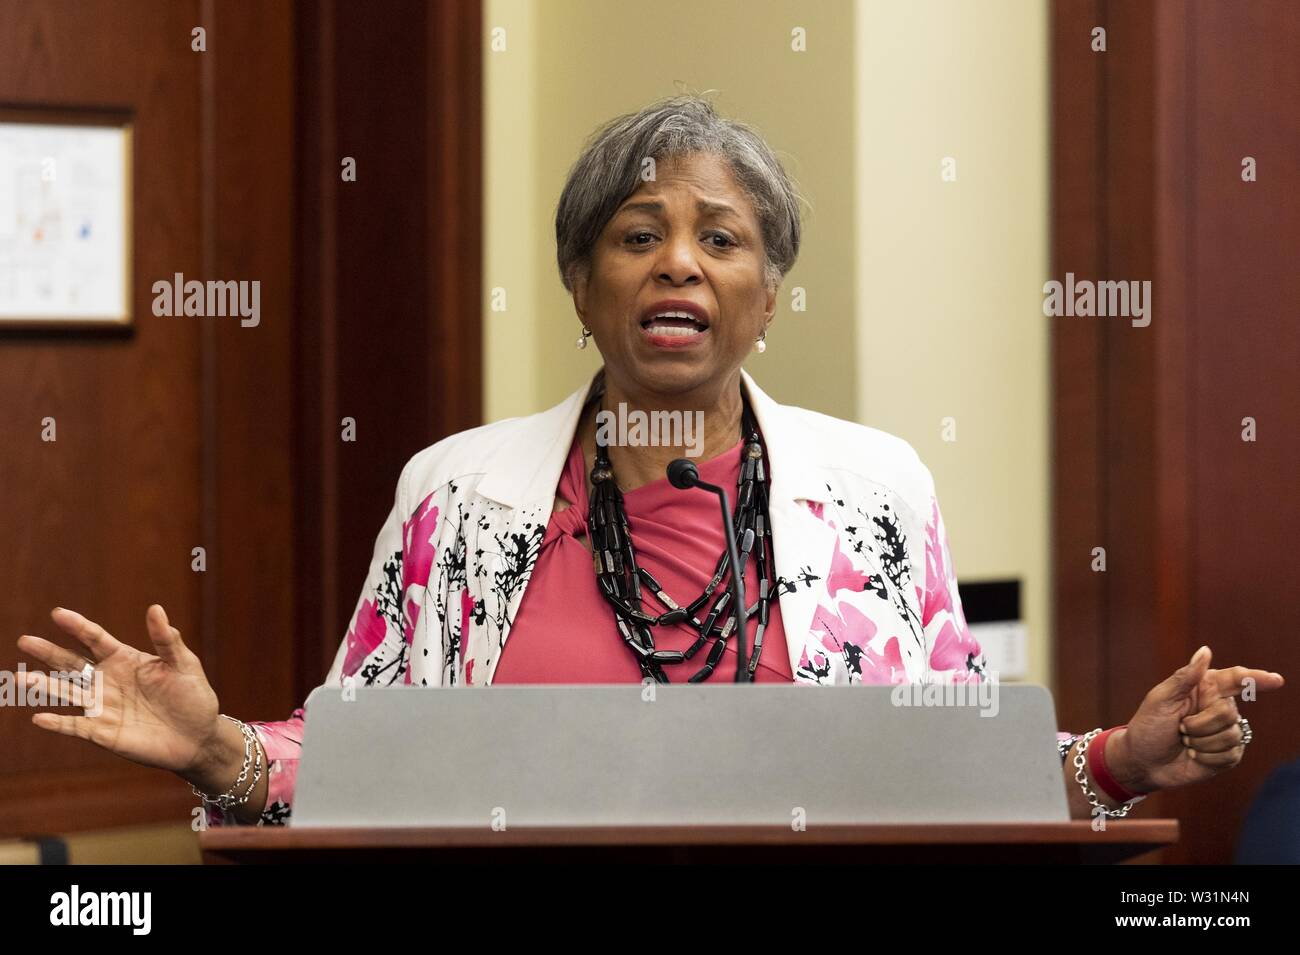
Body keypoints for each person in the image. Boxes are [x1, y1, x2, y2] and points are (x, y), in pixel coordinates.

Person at [16, 95, 1284, 829]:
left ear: (768, 292)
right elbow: (362, 763)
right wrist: (214, 744)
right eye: (637, 233)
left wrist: (1122, 752)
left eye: (722, 238)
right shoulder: (456, 494)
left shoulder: (874, 493)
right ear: (582, 282)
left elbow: (953, 767)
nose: (679, 261)